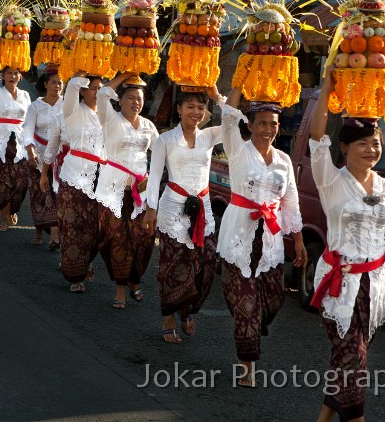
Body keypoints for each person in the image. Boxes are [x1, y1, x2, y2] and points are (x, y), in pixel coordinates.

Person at [310, 67, 385, 422]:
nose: (372, 149)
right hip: (339, 285)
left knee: (348, 360)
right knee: (353, 362)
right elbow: (316, 135)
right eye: (363, 143)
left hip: (374, 288)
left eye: (376, 143)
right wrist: (328, 85)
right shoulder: (330, 180)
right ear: (344, 147)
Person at [217, 88, 306, 386]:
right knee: (247, 302)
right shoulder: (238, 149)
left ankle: (252, 325)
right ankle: (247, 365)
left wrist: (298, 240)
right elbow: (227, 118)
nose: (268, 129)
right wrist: (239, 86)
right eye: (262, 123)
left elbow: (291, 200)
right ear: (251, 125)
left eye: (273, 124)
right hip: (239, 235)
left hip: (270, 238)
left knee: (274, 299)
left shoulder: (283, 160)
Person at [145, 89, 222, 342]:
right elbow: (155, 175)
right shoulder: (165, 139)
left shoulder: (210, 136)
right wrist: (150, 208)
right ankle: (169, 317)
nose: (196, 112)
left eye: (201, 107)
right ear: (179, 109)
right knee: (171, 265)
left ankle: (188, 309)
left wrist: (217, 94)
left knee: (206, 265)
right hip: (172, 209)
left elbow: (237, 122)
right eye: (190, 106)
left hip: (203, 209)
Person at [95, 72, 158, 309]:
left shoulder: (148, 126)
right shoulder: (110, 119)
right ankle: (120, 287)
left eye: (139, 98)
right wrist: (124, 75)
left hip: (140, 193)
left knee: (143, 239)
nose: (135, 102)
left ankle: (134, 280)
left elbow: (160, 155)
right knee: (117, 239)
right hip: (114, 190)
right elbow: (102, 93)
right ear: (120, 101)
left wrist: (150, 178)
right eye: (130, 97)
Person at [55, 73, 105, 292]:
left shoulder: (108, 116)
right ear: (83, 90)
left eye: (100, 89)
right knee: (73, 224)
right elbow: (72, 87)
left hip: (100, 177)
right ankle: (75, 275)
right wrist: (81, 70)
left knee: (95, 226)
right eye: (93, 88)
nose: (97, 92)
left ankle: (86, 260)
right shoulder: (72, 111)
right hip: (74, 175)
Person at [0, 42, 31, 231]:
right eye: (9, 73)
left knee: (20, 181)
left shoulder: (26, 95)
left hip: (19, 141)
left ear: (20, 76)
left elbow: (29, 120)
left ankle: (13, 210)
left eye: (15, 73)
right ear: (3, 76)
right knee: (2, 182)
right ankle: (3, 220)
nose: (12, 76)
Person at [23, 67, 63, 248]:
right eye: (53, 82)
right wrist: (30, 151)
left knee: (54, 194)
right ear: (45, 84)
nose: (57, 86)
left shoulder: (67, 105)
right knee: (38, 194)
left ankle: (55, 235)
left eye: (60, 83)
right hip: (38, 155)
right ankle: (39, 230)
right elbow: (27, 130)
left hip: (61, 156)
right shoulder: (35, 106)